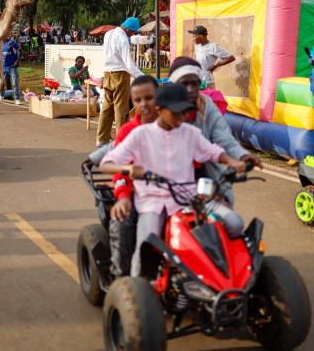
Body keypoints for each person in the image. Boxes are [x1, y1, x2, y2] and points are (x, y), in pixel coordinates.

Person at [100, 83, 246, 276]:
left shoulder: (190, 132)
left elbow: (212, 152)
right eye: (176, 113)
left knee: (235, 223)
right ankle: (137, 288)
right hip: (152, 201)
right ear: (160, 110)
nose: (182, 117)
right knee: (146, 245)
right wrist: (127, 169)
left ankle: (229, 274)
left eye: (184, 112)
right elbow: (107, 163)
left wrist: (233, 162)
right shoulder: (139, 134)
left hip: (188, 199)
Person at [168, 56, 260, 205]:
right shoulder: (161, 107)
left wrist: (242, 155)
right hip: (166, 174)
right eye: (185, 84)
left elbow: (223, 136)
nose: (191, 90)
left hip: (204, 170)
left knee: (228, 218)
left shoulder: (206, 104)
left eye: (195, 84)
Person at [106, 75, 159, 276]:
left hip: (172, 194)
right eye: (138, 100)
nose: (144, 104)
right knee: (122, 220)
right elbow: (120, 168)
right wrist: (123, 197)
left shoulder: (171, 126)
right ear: (132, 102)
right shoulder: (127, 131)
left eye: (149, 98)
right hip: (138, 193)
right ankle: (122, 278)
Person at [95, 17, 144, 147]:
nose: (132, 34)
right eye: (132, 32)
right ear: (127, 28)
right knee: (121, 110)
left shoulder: (108, 33)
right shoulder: (122, 38)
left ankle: (101, 139)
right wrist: (142, 76)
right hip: (120, 75)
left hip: (107, 73)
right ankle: (121, 141)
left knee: (106, 108)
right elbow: (128, 64)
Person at [0, 34, 22, 104]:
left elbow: (21, 50)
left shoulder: (12, 42)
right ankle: (1, 96)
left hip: (12, 67)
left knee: (15, 83)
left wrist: (17, 61)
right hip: (4, 67)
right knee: (2, 83)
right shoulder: (0, 44)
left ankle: (17, 99)